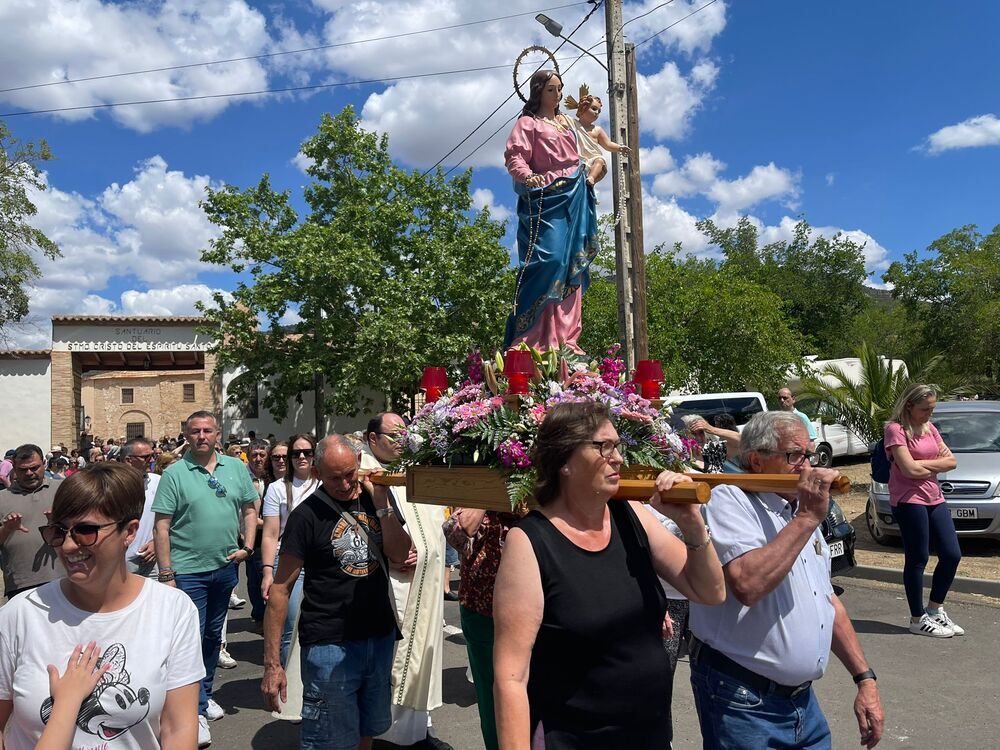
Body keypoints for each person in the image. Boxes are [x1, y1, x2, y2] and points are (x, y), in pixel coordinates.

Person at [493, 401, 725, 748]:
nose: (617, 458)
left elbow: (710, 591)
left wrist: (692, 525)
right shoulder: (530, 543)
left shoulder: (631, 516)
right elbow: (511, 677)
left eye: (618, 446)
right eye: (604, 447)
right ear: (564, 461)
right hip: (575, 739)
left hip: (649, 736)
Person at [688, 410, 884, 749]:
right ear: (756, 460)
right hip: (744, 700)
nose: (807, 466)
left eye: (809, 455)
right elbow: (748, 584)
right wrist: (808, 517)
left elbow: (826, 600)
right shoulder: (728, 499)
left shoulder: (796, 509)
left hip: (803, 704)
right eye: (794, 455)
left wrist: (865, 679)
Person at [0, 462, 204, 749]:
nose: (69, 546)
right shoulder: (18, 615)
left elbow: (178, 726)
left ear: (130, 531)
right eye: (59, 531)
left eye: (86, 530)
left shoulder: (172, 610)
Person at [261, 435, 411, 750]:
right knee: (329, 740)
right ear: (316, 473)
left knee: (367, 728)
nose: (344, 484)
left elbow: (399, 554)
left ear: (359, 464)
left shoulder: (376, 498)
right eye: (333, 478)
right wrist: (272, 664)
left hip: (378, 635)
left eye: (349, 474)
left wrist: (382, 504)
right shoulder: (306, 516)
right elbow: (280, 590)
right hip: (329, 641)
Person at [152, 411, 259, 747]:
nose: (201, 436)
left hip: (225, 567)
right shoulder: (175, 473)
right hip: (187, 571)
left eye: (207, 430)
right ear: (187, 434)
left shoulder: (236, 468)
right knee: (189, 641)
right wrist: (167, 573)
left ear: (217, 434)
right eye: (195, 431)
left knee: (213, 636)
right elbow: (161, 526)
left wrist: (249, 546)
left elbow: (250, 509)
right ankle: (190, 710)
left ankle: (204, 695)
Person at [363, 413, 451, 750]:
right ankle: (391, 736)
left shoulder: (412, 469)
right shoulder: (364, 472)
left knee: (423, 654)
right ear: (373, 439)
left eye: (405, 432)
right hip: (393, 582)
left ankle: (418, 730)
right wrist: (388, 552)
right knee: (399, 659)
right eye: (394, 434)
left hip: (425, 580)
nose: (403, 439)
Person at [503, 69, 599, 354]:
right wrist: (526, 175)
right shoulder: (528, 123)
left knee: (572, 266)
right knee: (550, 260)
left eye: (560, 89)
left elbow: (590, 148)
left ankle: (566, 339)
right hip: (546, 197)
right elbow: (515, 156)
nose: (557, 96)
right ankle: (532, 338)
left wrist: (595, 167)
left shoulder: (566, 124)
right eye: (551, 90)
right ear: (538, 93)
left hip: (575, 193)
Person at [884, 384, 963, 637]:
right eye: (925, 409)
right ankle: (917, 619)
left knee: (952, 554)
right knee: (918, 558)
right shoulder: (895, 430)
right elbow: (908, 471)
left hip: (934, 497)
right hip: (908, 499)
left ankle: (935, 610)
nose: (930, 413)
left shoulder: (930, 429)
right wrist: (930, 466)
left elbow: (952, 461)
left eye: (932, 408)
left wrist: (920, 463)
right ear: (909, 405)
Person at [444, 507, 523, 750]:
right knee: (492, 701)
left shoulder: (536, 496)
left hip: (530, 612)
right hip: (482, 611)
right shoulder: (477, 499)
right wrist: (484, 498)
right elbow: (456, 534)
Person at [261, 436, 316, 665]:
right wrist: (266, 572)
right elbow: (271, 534)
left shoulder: (326, 483)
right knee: (290, 628)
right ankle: (289, 690)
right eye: (295, 453)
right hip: (289, 562)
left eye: (307, 452)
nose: (301, 457)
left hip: (322, 561)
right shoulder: (277, 488)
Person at [0, 444, 61, 599]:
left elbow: (84, 531)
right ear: (13, 468)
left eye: (34, 468)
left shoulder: (63, 489)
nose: (29, 473)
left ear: (44, 464)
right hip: (21, 583)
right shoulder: (2, 498)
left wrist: (59, 523)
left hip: (63, 577)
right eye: (22, 469)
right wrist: (7, 529)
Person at [563, 85, 630, 185]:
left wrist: (620, 148)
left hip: (593, 160)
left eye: (599, 111)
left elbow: (608, 144)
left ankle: (591, 178)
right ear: (583, 108)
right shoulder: (571, 123)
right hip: (576, 160)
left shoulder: (597, 130)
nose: (596, 113)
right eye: (594, 109)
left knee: (600, 160)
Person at [121, 437, 161, 578]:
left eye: (153, 456)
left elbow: (172, 517)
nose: (151, 460)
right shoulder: (110, 486)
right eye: (146, 457)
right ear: (128, 460)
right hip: (121, 561)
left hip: (151, 560)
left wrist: (157, 542)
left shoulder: (158, 482)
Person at [244, 438, 271, 629]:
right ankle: (260, 615)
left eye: (262, 455)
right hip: (251, 536)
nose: (258, 459)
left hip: (270, 534)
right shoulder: (242, 476)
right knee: (254, 577)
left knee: (267, 575)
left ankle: (267, 615)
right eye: (254, 455)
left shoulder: (273, 477)